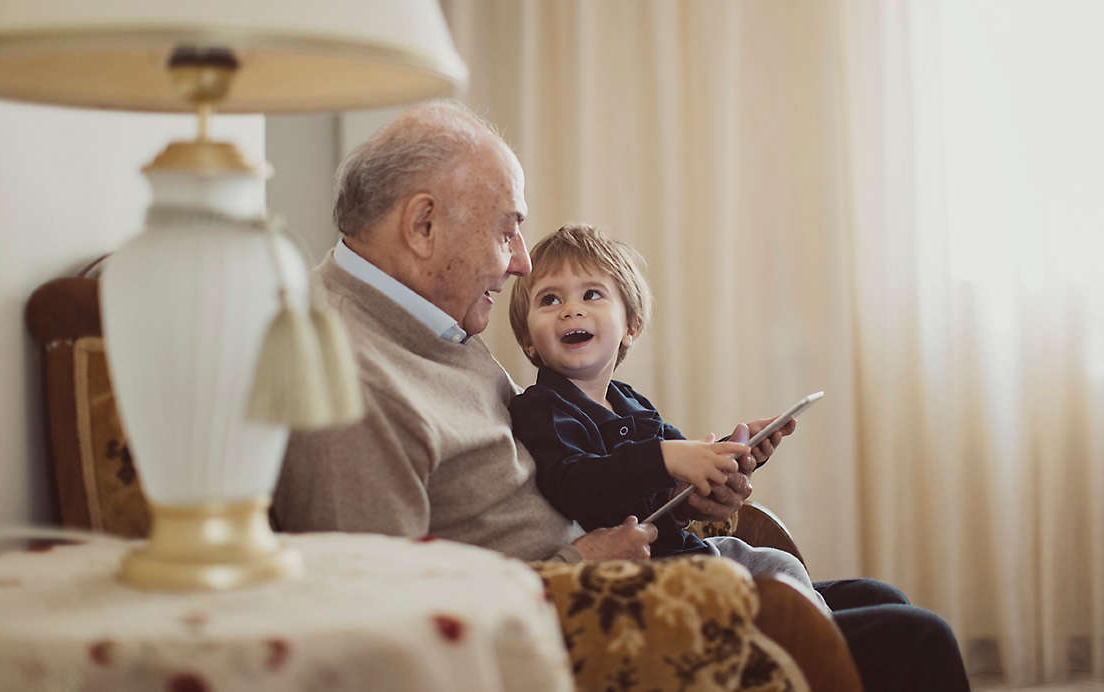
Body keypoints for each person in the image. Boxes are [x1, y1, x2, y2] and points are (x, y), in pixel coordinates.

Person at [273, 100, 970, 692]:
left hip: (621, 572)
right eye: (507, 227)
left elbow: (548, 475)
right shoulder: (345, 369)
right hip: (580, 631)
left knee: (883, 602)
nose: (520, 260)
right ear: (423, 226)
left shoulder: (431, 321)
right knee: (915, 639)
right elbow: (377, 624)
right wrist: (580, 568)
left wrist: (684, 497)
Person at [507, 223, 827, 610]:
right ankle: (814, 639)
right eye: (549, 300)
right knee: (779, 586)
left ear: (630, 327)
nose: (571, 309)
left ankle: (820, 631)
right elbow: (573, 483)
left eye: (591, 294)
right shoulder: (539, 408)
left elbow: (677, 480)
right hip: (650, 578)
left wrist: (729, 455)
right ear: (528, 340)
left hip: (691, 553)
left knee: (780, 563)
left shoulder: (632, 403)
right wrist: (664, 457)